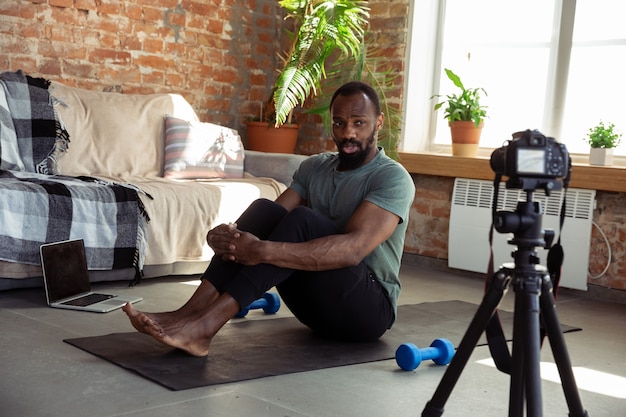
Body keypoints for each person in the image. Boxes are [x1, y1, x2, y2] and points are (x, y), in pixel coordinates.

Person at [123, 81, 415, 356]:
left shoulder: (391, 177)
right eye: (339, 123)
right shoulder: (315, 167)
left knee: (303, 220)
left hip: (366, 312)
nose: (348, 132)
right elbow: (270, 220)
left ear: (378, 123)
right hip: (314, 310)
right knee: (265, 209)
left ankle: (205, 327)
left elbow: (352, 250)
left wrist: (260, 250)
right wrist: (226, 238)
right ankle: (187, 314)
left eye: (358, 123)